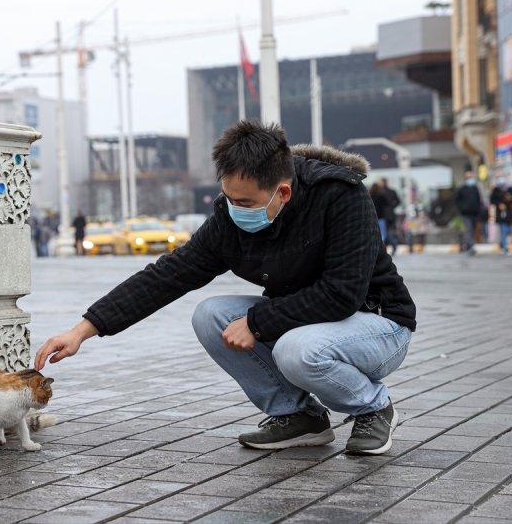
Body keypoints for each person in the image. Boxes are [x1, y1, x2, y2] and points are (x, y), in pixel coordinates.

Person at [36, 121, 416, 456]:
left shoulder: (340, 196)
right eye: (229, 198)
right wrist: (84, 329)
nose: (234, 209)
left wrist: (257, 322)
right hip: (311, 323)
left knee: (296, 350)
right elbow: (169, 274)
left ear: (282, 192)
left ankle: (373, 408)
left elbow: (341, 293)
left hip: (377, 324)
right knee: (211, 314)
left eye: (245, 202)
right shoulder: (230, 217)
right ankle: (298, 416)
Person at [455, 169, 482, 256]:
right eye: (468, 177)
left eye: (471, 176)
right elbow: (457, 201)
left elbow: (479, 200)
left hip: (474, 213)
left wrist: (479, 211)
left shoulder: (475, 188)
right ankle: (471, 247)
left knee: (472, 230)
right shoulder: (462, 189)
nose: (470, 178)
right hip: (465, 214)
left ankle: (468, 246)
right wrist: (461, 209)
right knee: (468, 229)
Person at [490, 177, 512, 255]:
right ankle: (505, 247)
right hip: (500, 214)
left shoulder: (509, 190)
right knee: (503, 230)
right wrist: (499, 205)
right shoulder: (496, 191)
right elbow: (492, 200)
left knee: (508, 230)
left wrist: (507, 202)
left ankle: (502, 243)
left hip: (508, 213)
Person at [380, 178, 400, 256]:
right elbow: (398, 201)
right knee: (388, 231)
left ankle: (392, 245)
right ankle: (391, 245)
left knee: (385, 232)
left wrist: (390, 207)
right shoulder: (391, 191)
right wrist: (392, 207)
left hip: (384, 215)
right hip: (390, 215)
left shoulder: (381, 192)